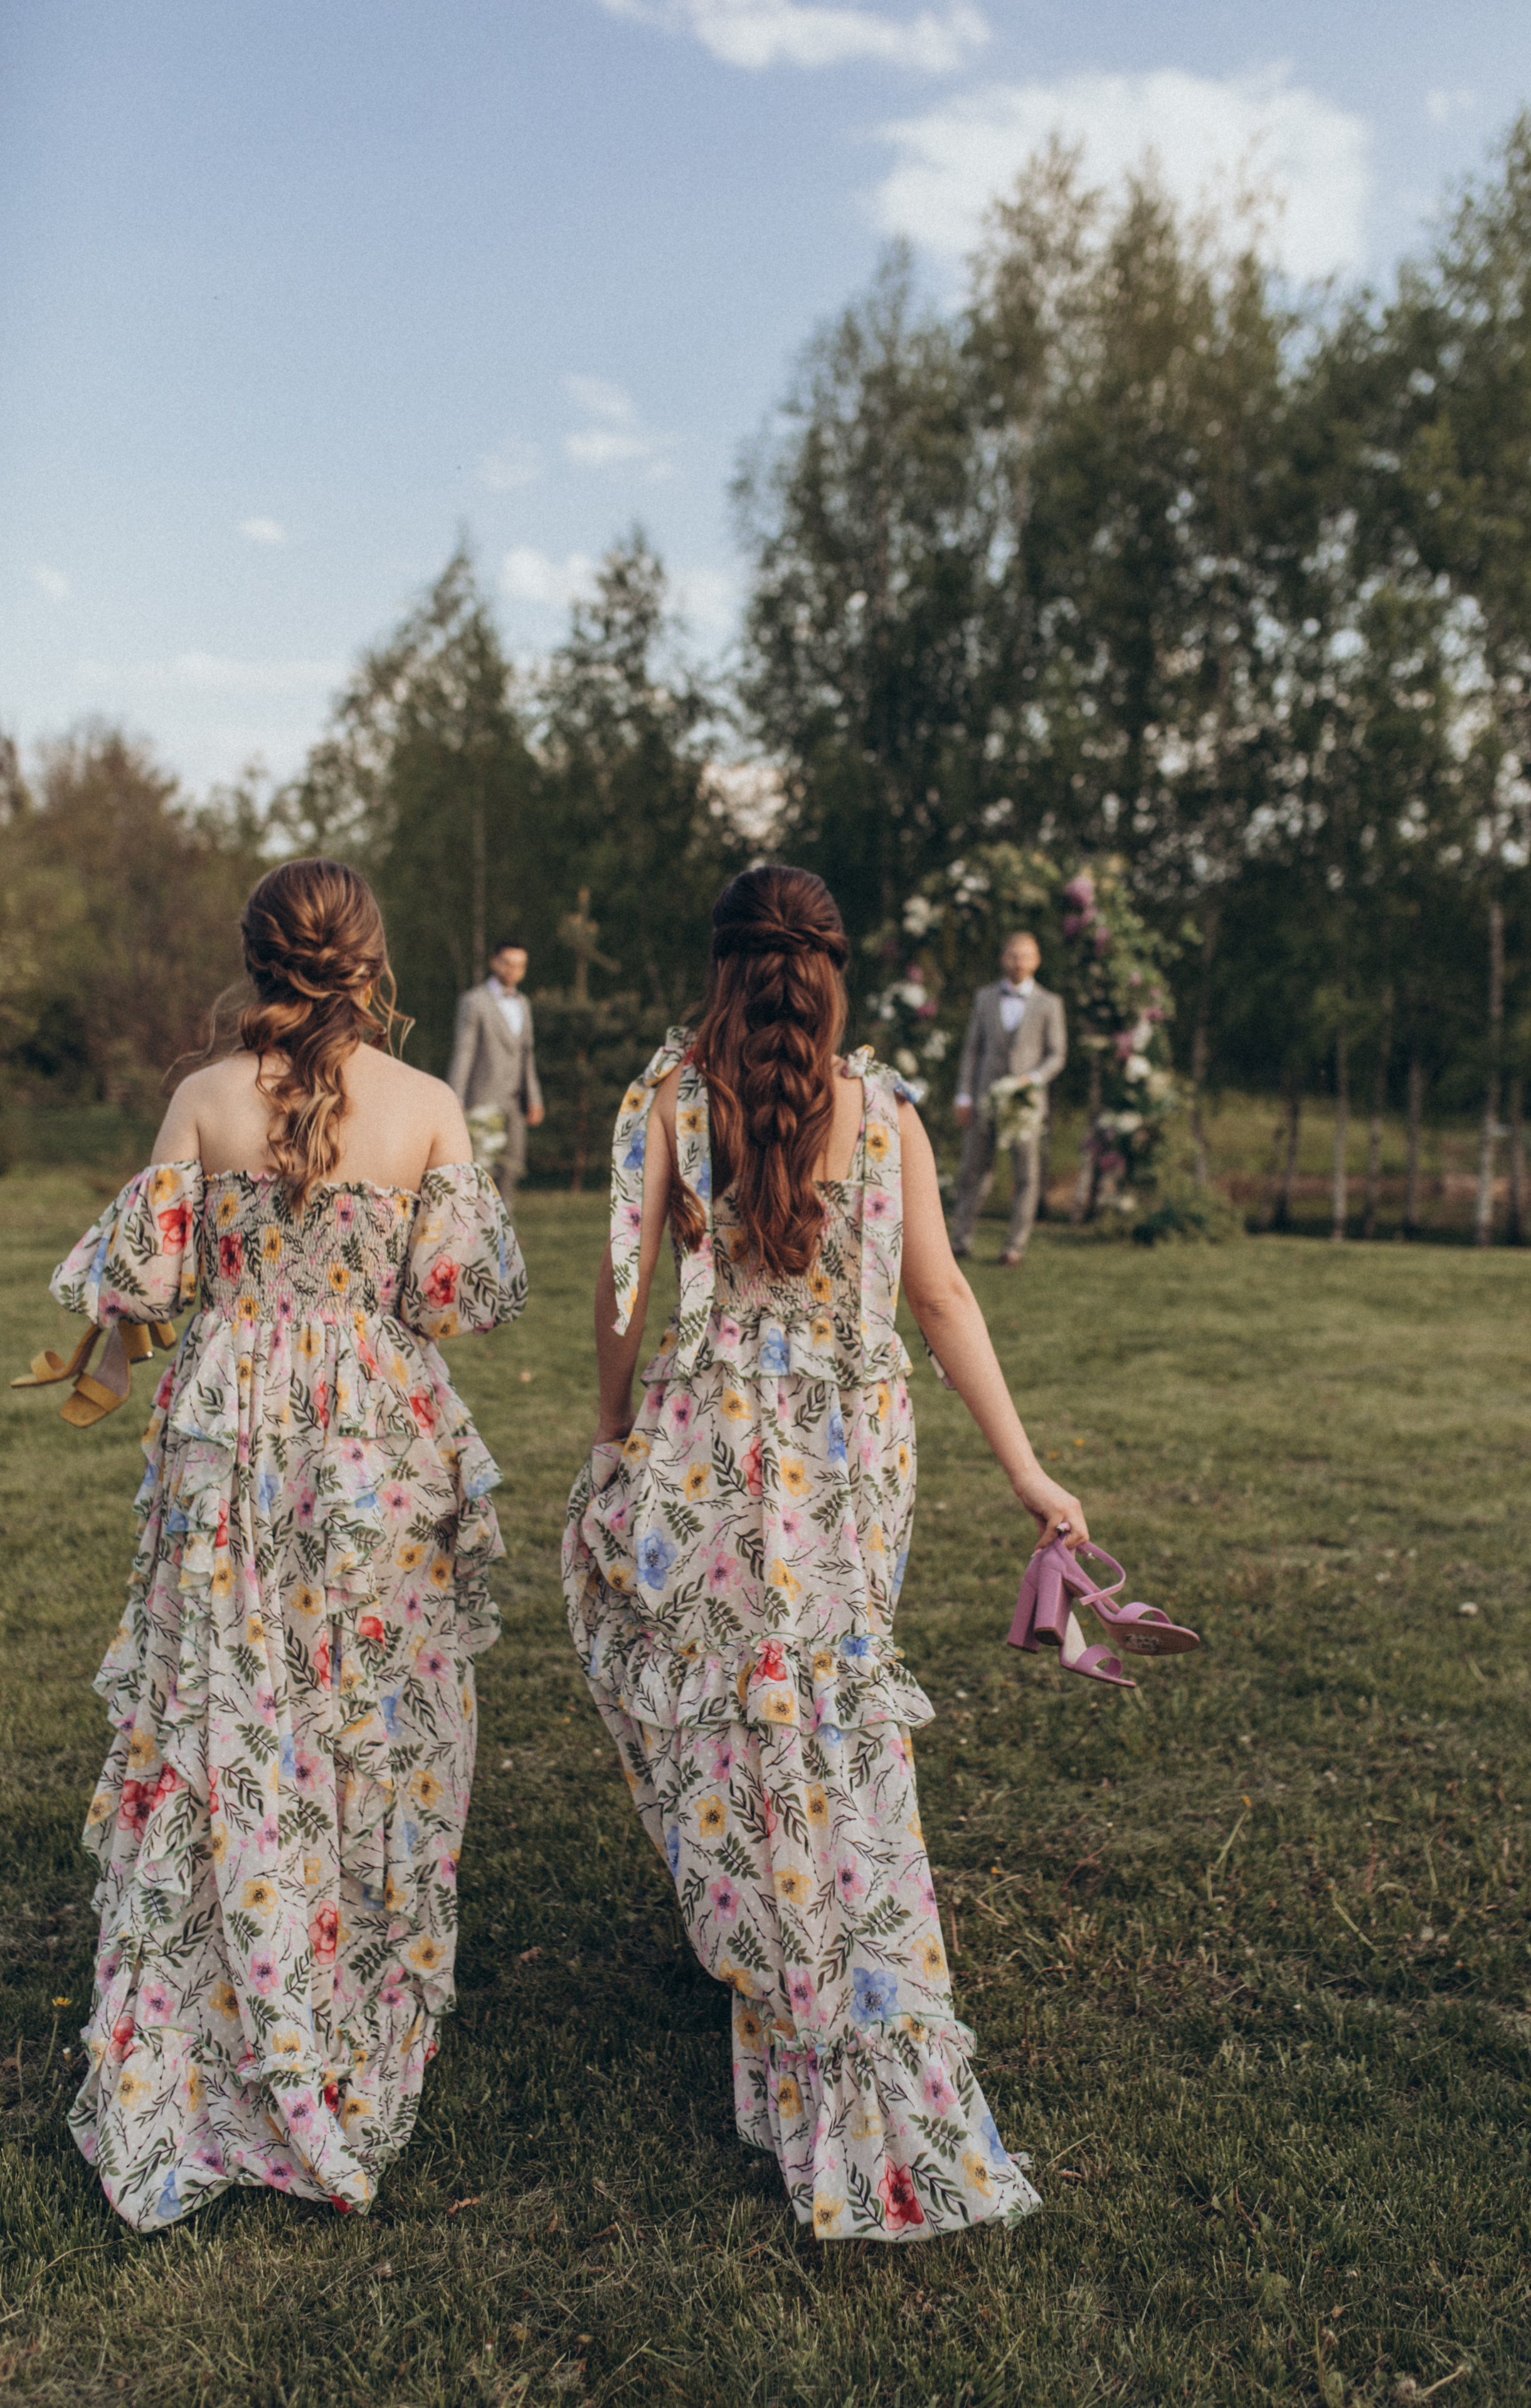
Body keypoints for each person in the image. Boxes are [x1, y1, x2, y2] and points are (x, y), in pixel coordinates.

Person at [561, 865, 1086, 2242]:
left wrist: (611, 1433)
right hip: (854, 1460)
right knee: (828, 1714)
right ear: (831, 972)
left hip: (713, 1445)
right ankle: (816, 1949)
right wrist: (1024, 1468)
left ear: (720, 965)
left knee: (728, 1713)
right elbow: (941, 1295)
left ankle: (778, 1944)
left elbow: (621, 1297)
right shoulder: (889, 1108)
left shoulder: (663, 1099)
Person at [36, 859, 526, 2231]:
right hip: (373, 1444)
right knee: (367, 1722)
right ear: (370, 964)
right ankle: (344, 2009)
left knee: (227, 1711)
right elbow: (460, 1297)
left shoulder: (201, 1097)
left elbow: (138, 1284)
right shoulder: (427, 1108)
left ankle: (215, 2021)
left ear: (258, 961)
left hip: (232, 1444)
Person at [950, 932, 1067, 1267]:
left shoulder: (1050, 1003)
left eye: (1026, 956)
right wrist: (964, 1095)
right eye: (1014, 956)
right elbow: (973, 1050)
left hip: (1026, 1104)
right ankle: (960, 1240)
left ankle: (1014, 1247)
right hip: (985, 1098)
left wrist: (1032, 1080)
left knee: (1026, 1175)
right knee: (973, 1171)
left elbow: (1057, 1055)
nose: (1019, 963)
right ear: (1004, 959)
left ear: (1037, 961)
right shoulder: (985, 998)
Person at [447, 938, 544, 1205]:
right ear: (495, 963)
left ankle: (507, 1234)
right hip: (484, 1098)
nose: (513, 970)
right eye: (508, 964)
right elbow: (464, 1051)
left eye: (520, 966)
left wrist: (535, 1098)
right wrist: (456, 1096)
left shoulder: (524, 1003)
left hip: (517, 1102)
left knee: (512, 1168)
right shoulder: (474, 1001)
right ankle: (479, 1234)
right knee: (483, 1168)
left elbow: (527, 1054)